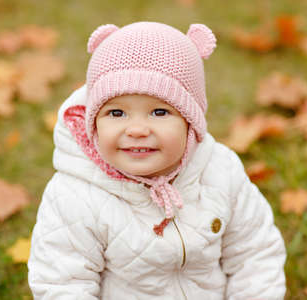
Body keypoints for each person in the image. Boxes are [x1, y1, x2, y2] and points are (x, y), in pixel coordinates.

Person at [28, 21, 286, 299]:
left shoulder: (220, 171)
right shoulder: (74, 195)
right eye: (117, 113)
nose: (137, 130)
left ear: (190, 123)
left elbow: (255, 253)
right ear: (94, 125)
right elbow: (63, 283)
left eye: (159, 112)